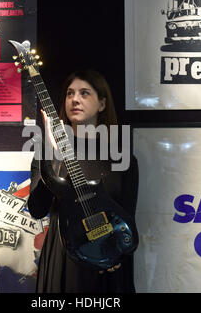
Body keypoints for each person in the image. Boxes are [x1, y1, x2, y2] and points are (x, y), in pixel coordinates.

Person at [27, 69, 139, 293]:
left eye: (84, 93)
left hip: (109, 264)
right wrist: (52, 150)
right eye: (70, 93)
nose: (75, 99)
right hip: (64, 258)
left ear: (102, 104)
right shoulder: (48, 152)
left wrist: (116, 254)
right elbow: (37, 210)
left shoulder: (123, 158)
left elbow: (127, 217)